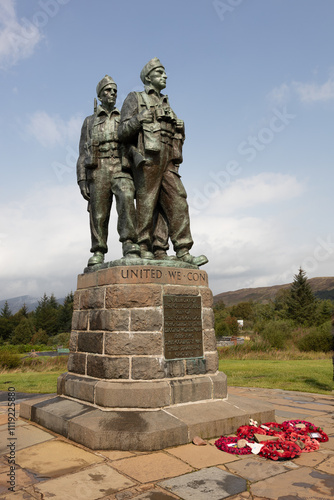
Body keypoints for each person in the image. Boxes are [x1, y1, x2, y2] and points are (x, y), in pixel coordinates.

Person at [118, 58, 208, 266]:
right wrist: (140, 118)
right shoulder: (135, 98)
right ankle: (143, 246)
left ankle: (182, 250)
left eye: (164, 73)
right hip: (148, 155)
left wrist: (179, 127)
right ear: (148, 77)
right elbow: (122, 131)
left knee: (177, 199)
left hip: (168, 156)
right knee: (147, 201)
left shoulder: (166, 102)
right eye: (160, 73)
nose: (165, 76)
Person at [77, 75, 140, 266]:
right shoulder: (89, 121)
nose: (112, 93)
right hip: (98, 168)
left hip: (121, 166)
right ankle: (98, 250)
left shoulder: (124, 118)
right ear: (100, 94)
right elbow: (81, 152)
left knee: (127, 198)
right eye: (108, 90)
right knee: (98, 212)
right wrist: (82, 180)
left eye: (114, 90)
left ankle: (130, 244)